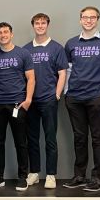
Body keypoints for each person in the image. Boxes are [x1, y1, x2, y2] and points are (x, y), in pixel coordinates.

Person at [63, 6, 100, 193]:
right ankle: (79, 176)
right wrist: (66, 92)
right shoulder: (71, 43)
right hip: (74, 97)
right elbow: (68, 71)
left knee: (97, 138)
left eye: (92, 17)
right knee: (79, 138)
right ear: (80, 20)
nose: (88, 20)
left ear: (98, 19)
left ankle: (96, 178)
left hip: (96, 96)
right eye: (85, 17)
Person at [0, 22, 35, 190]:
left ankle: (22, 177)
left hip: (17, 104)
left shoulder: (23, 53)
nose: (3, 35)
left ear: (11, 34)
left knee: (21, 142)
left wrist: (28, 100)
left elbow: (31, 78)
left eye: (6, 32)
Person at [23, 13, 68, 190]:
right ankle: (34, 173)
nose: (40, 26)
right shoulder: (26, 49)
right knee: (32, 138)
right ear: (33, 25)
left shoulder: (57, 48)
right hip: (31, 101)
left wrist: (57, 94)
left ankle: (50, 175)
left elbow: (63, 73)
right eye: (37, 23)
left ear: (47, 25)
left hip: (49, 99)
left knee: (50, 139)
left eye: (43, 23)